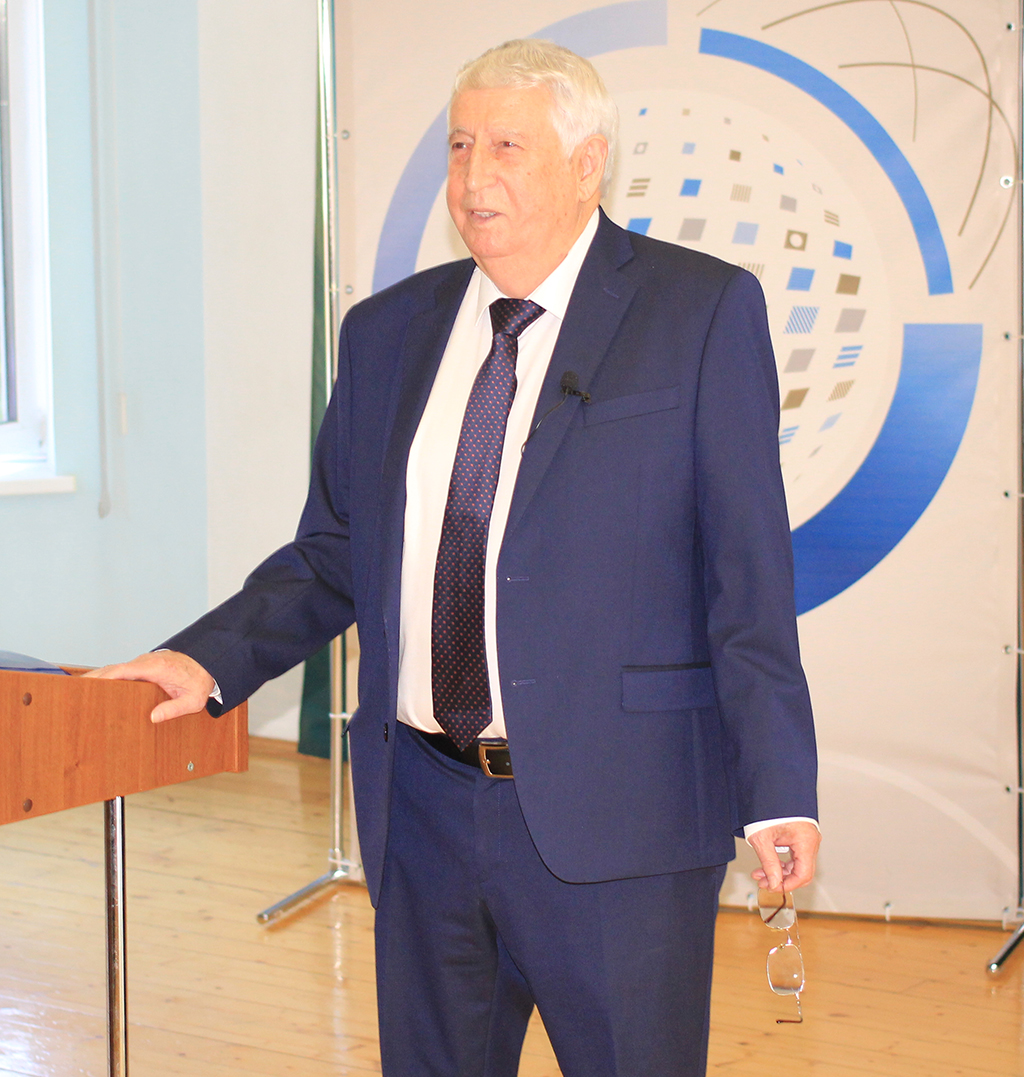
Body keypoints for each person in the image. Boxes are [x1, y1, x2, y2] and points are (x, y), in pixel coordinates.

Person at [88, 39, 819, 1077]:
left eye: (507, 146)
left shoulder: (697, 311)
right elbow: (335, 552)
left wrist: (778, 785)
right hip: (423, 812)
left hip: (623, 815)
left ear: (588, 164)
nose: (475, 175)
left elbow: (747, 577)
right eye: (461, 145)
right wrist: (207, 659)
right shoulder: (386, 332)